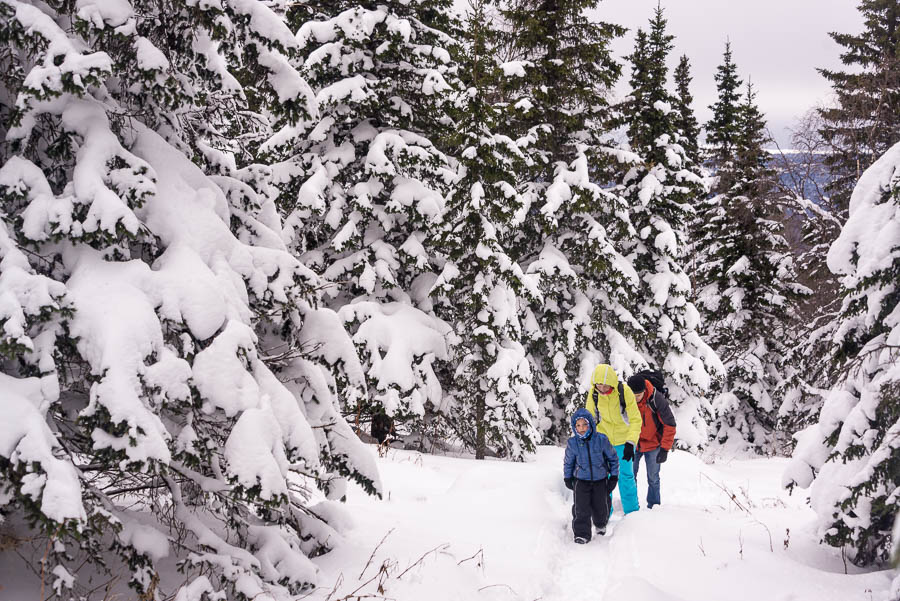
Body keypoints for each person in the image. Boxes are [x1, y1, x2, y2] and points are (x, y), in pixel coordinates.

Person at [585, 363, 642, 516]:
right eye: (598, 385)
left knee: (626, 478)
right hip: (603, 443)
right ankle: (603, 515)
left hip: (624, 442)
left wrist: (631, 442)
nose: (601, 389)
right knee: (603, 480)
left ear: (611, 382)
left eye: (604, 385)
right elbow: (589, 419)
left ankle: (632, 514)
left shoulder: (624, 392)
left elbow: (636, 419)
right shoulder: (593, 394)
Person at [563, 408, 619, 543]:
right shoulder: (573, 443)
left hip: (600, 480)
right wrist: (567, 477)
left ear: (591, 425)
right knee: (581, 508)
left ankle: (600, 524)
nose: (581, 428)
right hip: (581, 480)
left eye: (584, 424)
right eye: (578, 425)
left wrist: (614, 476)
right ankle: (582, 533)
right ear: (574, 427)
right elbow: (568, 462)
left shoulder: (601, 440)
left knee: (601, 506)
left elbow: (613, 458)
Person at [626, 373, 677, 509]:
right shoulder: (625, 398)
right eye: (633, 395)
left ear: (644, 391)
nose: (635, 399)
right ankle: (632, 505)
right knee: (630, 476)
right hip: (633, 443)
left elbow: (670, 424)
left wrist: (665, 448)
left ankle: (654, 507)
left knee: (653, 478)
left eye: (638, 395)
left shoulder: (656, 399)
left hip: (653, 443)